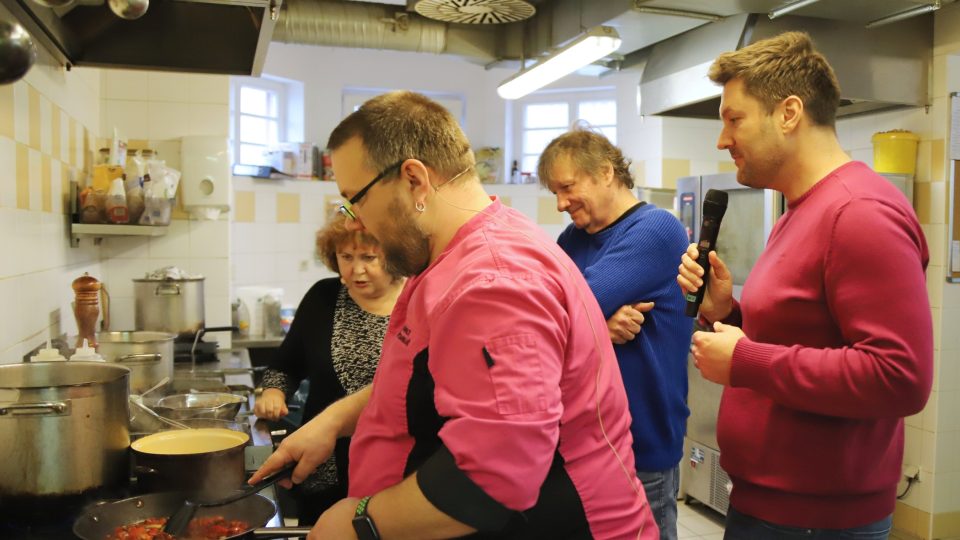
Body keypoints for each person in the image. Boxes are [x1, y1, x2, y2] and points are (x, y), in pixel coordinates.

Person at [250, 90, 658, 539]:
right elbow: (434, 383)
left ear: (414, 181)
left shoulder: (493, 283)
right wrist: (332, 421)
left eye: (356, 199)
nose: (356, 222)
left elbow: (493, 478)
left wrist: (360, 523)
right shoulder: (457, 255)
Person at [676, 31, 933, 539]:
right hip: (767, 504)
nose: (723, 140)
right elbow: (804, 337)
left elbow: (900, 375)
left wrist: (745, 360)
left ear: (788, 113)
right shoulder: (799, 211)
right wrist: (730, 314)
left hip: (818, 522)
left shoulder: (859, 213)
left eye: (734, 119)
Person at [538, 128, 692, 540]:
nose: (560, 203)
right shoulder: (573, 238)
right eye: (555, 192)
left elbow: (572, 302)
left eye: (567, 188)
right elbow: (543, 314)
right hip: (581, 440)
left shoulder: (656, 229)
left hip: (641, 446)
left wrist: (583, 317)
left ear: (605, 172)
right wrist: (600, 329)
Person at [253, 213, 404, 525]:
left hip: (397, 467)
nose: (355, 269)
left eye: (369, 258)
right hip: (325, 464)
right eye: (345, 257)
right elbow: (287, 363)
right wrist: (273, 389)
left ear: (395, 256)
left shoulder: (417, 301)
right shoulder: (323, 296)